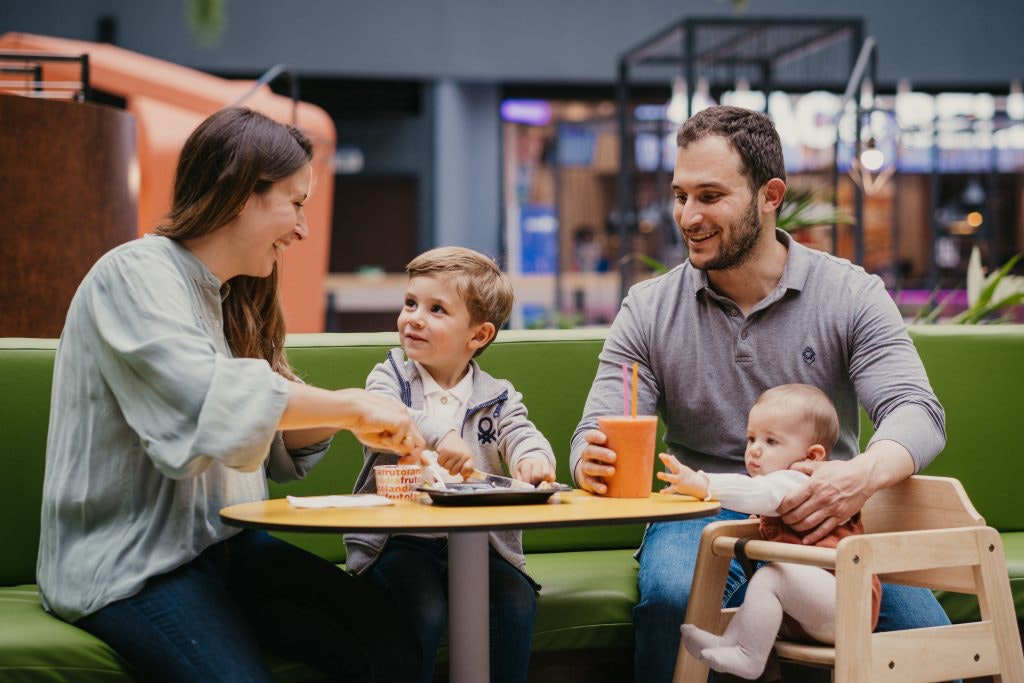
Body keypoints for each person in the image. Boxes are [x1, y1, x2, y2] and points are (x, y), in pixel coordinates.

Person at [37, 107, 425, 683]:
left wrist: (349, 421)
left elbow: (264, 430)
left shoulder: (230, 297)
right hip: (131, 563)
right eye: (295, 203)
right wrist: (350, 405)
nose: (303, 229)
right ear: (241, 192)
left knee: (392, 646)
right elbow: (205, 400)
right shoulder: (131, 275)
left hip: (229, 547)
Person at [570, 105, 948, 683]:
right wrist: (588, 457)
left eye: (710, 196)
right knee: (673, 601)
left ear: (770, 195)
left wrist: (862, 475)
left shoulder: (849, 294)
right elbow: (599, 425)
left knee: (928, 643)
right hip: (698, 507)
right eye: (679, 195)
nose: (687, 216)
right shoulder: (648, 309)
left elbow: (916, 412)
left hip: (821, 508)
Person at [345, 246, 557, 683]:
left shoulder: (498, 395)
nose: (414, 318)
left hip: (479, 544)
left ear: (478, 335)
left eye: (436, 309)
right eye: (410, 304)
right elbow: (385, 414)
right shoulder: (390, 378)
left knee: (515, 602)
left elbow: (521, 433)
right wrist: (442, 433)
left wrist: (534, 459)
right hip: (397, 542)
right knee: (422, 608)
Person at [661, 384, 882, 680]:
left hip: (846, 600)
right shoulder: (785, 485)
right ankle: (730, 642)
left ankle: (749, 657)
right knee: (769, 578)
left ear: (813, 455)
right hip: (819, 605)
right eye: (751, 438)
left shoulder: (800, 480)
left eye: (771, 441)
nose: (754, 449)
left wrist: (704, 485)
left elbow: (760, 492)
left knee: (770, 576)